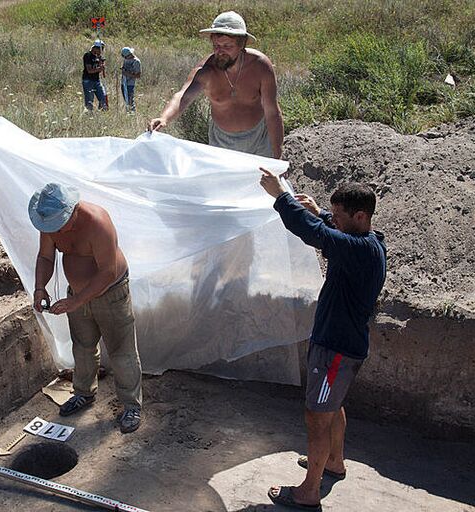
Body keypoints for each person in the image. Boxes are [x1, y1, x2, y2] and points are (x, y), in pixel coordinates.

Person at [259, 170, 387, 511]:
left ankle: (308, 492)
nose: (335, 223)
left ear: (360, 217)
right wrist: (324, 213)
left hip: (335, 350)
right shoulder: (370, 243)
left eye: (340, 218)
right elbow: (329, 227)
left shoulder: (358, 251)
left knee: (317, 417)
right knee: (332, 407)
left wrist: (280, 197)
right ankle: (334, 462)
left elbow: (313, 233)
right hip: (342, 347)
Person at [29, 183, 143, 433]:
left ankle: (132, 405)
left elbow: (107, 273)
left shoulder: (98, 223)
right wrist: (40, 287)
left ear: (73, 211)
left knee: (121, 351)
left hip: (111, 293)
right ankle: (83, 393)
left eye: (60, 224)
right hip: (77, 295)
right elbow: (46, 257)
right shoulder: (50, 223)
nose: (56, 231)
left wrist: (75, 302)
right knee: (82, 346)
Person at [149, 11, 284, 159]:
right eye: (216, 45)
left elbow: (272, 112)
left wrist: (277, 153)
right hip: (222, 143)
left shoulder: (260, 66)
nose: (220, 51)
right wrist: (164, 118)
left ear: (242, 44)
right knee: (225, 182)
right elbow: (183, 96)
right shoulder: (206, 71)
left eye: (227, 46)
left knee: (261, 181)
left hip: (260, 140)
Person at [82, 40, 107, 111]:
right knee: (89, 100)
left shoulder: (99, 57)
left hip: (97, 80)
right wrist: (99, 69)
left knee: (102, 98)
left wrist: (101, 63)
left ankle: (102, 113)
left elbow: (103, 73)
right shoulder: (88, 55)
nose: (101, 51)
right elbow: (89, 70)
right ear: (95, 48)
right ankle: (89, 114)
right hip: (88, 80)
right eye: (100, 49)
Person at [120, 47, 141, 112]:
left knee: (130, 101)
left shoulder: (136, 62)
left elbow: (138, 75)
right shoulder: (126, 59)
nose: (124, 58)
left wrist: (127, 74)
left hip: (130, 84)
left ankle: (132, 113)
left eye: (125, 57)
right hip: (123, 83)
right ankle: (128, 112)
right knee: (126, 100)